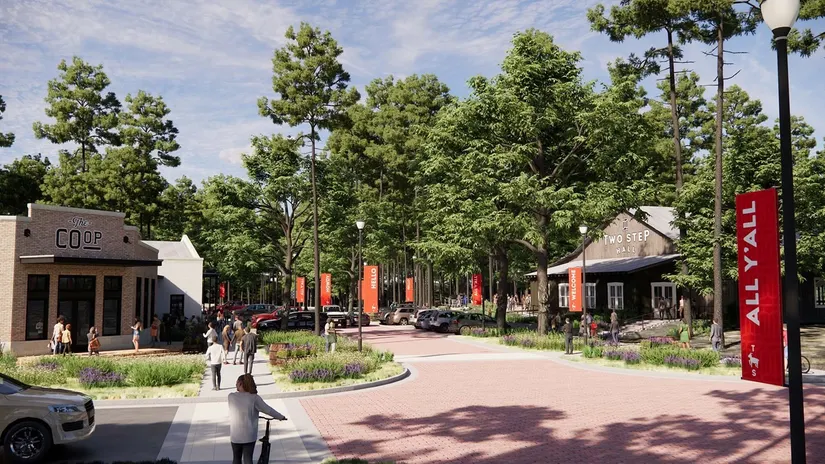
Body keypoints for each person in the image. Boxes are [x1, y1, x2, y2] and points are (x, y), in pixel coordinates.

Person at [228, 374, 286, 464]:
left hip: (236, 435)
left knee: (236, 458)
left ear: (240, 384)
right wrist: (281, 417)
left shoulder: (231, 397)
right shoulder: (254, 398)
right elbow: (268, 410)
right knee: (248, 458)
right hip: (249, 435)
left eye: (236, 383)